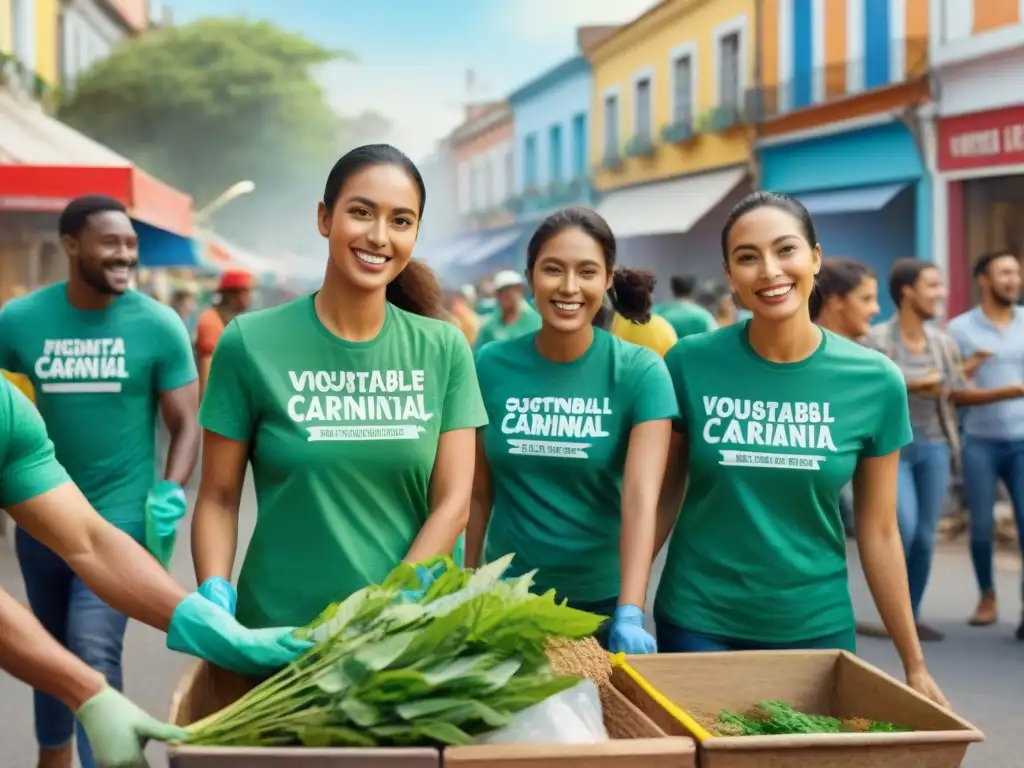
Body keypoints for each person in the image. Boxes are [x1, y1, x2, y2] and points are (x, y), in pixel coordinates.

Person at [655, 192, 947, 706]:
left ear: (814, 258)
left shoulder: (875, 380)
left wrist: (914, 662)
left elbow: (880, 532)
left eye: (785, 250)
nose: (769, 271)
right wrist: (625, 604)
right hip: (699, 621)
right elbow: (661, 496)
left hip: (816, 628)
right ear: (730, 273)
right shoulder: (688, 363)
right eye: (748, 257)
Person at [192, 144, 487, 631]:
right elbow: (219, 497)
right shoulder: (249, 343)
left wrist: (394, 603)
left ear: (414, 233)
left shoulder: (443, 347)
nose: (378, 235)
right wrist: (214, 593)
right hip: (278, 636)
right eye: (361, 213)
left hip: (405, 641)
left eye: (400, 221)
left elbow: (454, 503)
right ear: (325, 218)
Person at [0, 375, 310, 768]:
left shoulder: (6, 409)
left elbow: (89, 540)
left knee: (91, 641)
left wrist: (201, 623)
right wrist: (88, 691)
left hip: (119, 508)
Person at [0, 195, 205, 768]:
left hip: (119, 517)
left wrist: (171, 488)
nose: (125, 255)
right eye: (110, 243)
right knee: (46, 651)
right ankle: (53, 756)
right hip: (38, 517)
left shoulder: (159, 325)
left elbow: (186, 420)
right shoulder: (18, 322)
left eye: (131, 246)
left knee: (92, 647)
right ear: (71, 246)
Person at [466, 207, 677, 653]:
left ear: (607, 280)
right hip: (505, 602)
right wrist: (463, 586)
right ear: (530, 277)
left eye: (586, 272)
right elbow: (477, 490)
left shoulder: (640, 371)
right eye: (553, 270)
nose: (568, 287)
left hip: (599, 608)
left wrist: (631, 609)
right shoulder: (491, 364)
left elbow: (641, 499)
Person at [864, 258, 1024, 641]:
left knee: (924, 536)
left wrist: (963, 373)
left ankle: (909, 616)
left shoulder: (942, 341)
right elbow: (872, 386)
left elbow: (953, 388)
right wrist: (918, 384)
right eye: (933, 286)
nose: (941, 294)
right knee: (904, 524)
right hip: (895, 449)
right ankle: (902, 607)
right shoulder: (877, 340)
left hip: (936, 445)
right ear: (907, 291)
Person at [946, 251, 1024, 635]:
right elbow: (952, 389)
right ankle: (987, 594)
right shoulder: (960, 329)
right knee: (980, 526)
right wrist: (1006, 389)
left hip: (1022, 442)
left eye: (1016, 273)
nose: (1013, 280)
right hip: (980, 442)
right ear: (984, 279)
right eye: (1004, 273)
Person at [810, 258, 881, 536]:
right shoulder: (795, 356)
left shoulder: (872, 362)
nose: (875, 309)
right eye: (866, 299)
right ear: (836, 300)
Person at [195, 269, 255, 398]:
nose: (251, 297)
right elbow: (207, 372)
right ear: (232, 295)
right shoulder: (211, 321)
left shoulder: (230, 321)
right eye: (247, 292)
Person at [473, 270, 542, 351]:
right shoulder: (490, 327)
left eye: (511, 289)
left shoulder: (535, 322)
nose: (507, 295)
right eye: (502, 291)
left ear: (520, 290)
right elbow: (478, 354)